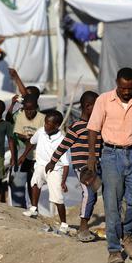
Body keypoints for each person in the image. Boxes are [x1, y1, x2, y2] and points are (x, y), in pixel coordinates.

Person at [87, 67, 132, 263]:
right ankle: (114, 249)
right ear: (117, 82)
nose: (126, 92)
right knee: (112, 204)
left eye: (130, 88)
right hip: (110, 155)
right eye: (123, 88)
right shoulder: (104, 100)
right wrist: (92, 156)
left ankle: (128, 232)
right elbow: (93, 128)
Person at [47, 91, 102, 242]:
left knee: (94, 196)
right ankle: (83, 227)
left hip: (96, 167)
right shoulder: (77, 127)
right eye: (97, 108)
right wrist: (53, 161)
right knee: (89, 194)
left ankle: (88, 223)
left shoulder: (98, 127)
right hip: (83, 168)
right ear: (88, 106)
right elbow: (64, 145)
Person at [19, 110, 71, 233]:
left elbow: (66, 164)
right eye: (45, 122)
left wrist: (63, 181)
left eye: (49, 124)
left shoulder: (62, 140)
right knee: (35, 183)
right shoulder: (41, 131)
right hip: (40, 165)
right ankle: (34, 208)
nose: (46, 125)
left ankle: (64, 223)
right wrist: (24, 155)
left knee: (57, 197)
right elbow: (31, 143)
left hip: (55, 169)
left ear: (57, 125)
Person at [11, 94, 45, 207]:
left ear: (36, 108)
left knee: (34, 182)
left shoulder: (42, 118)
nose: (28, 112)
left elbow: (37, 139)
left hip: (37, 154)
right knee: (18, 180)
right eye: (26, 109)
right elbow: (18, 133)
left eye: (31, 110)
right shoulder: (20, 117)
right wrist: (26, 137)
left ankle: (34, 207)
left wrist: (30, 140)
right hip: (23, 150)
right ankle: (19, 208)